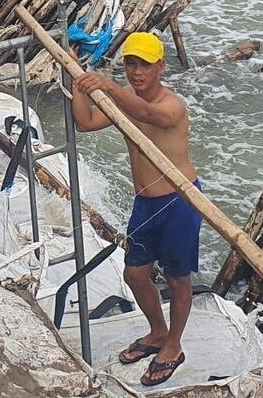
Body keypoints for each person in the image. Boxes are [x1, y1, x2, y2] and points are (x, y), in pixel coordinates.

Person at [72, 31, 199, 387]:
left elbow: (147, 113)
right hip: (145, 202)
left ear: (161, 66)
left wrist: (108, 87)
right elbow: (86, 123)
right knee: (135, 274)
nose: (136, 71)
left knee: (177, 278)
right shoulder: (126, 100)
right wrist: (77, 81)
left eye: (144, 64)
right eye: (130, 63)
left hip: (178, 200)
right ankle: (158, 332)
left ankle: (173, 345)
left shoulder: (172, 106)